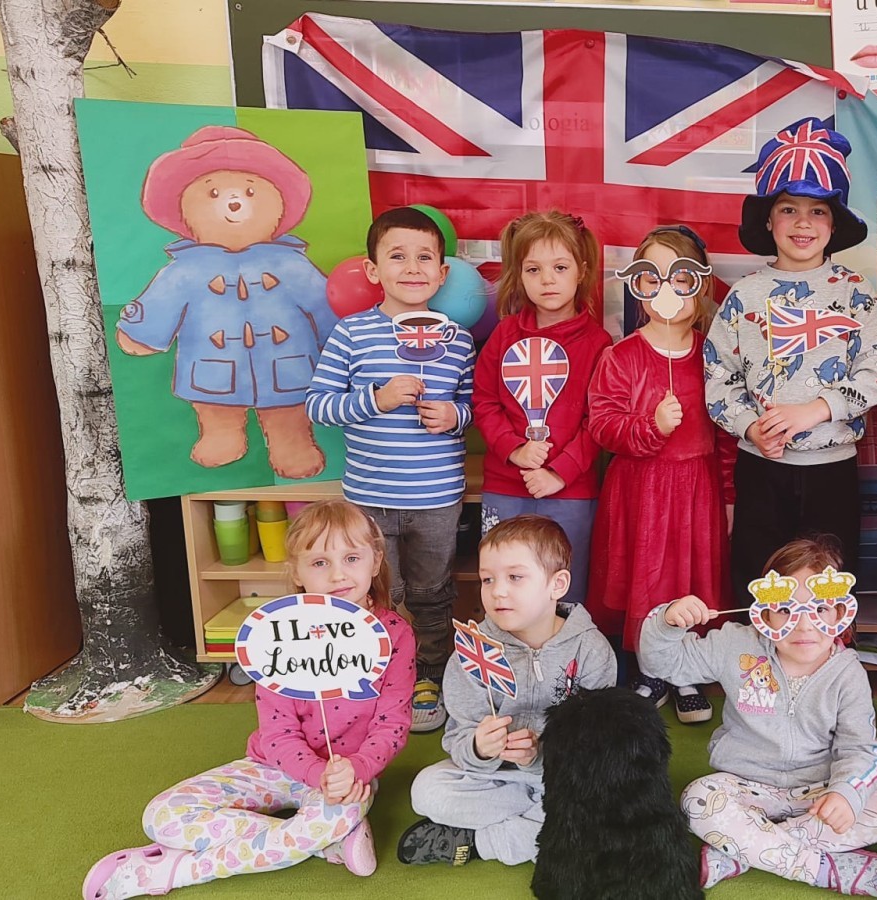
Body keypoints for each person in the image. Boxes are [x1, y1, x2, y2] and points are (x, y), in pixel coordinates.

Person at [82, 501, 415, 898]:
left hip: (348, 782)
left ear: (375, 561)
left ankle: (180, 870)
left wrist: (357, 769)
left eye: (352, 558)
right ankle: (324, 842)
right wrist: (314, 774)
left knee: (331, 817)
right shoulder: (275, 636)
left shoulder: (395, 635)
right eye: (320, 562)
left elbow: (392, 725)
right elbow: (277, 734)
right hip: (275, 767)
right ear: (296, 571)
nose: (339, 574)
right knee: (162, 816)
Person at [640, 537, 877, 898]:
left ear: (840, 612)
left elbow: (860, 749)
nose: (804, 625)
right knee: (696, 800)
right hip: (743, 786)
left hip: (817, 793)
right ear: (764, 612)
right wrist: (667, 623)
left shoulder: (848, 673)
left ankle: (743, 852)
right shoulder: (735, 645)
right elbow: (662, 664)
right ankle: (823, 870)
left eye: (820, 608)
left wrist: (845, 795)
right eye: (785, 609)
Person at [704, 117, 877, 589]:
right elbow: (718, 375)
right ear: (769, 220)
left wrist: (816, 410)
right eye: (789, 209)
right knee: (758, 581)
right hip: (760, 469)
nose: (803, 222)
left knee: (830, 586)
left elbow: (876, 369)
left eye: (818, 211)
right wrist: (751, 427)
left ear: (834, 224)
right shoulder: (744, 295)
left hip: (831, 470)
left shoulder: (854, 291)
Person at [305, 206, 474, 733]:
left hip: (437, 497)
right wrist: (375, 399)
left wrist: (453, 417)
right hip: (369, 497)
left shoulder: (458, 339)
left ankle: (430, 673)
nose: (412, 267)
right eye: (397, 256)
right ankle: (378, 672)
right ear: (373, 270)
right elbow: (318, 406)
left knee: (431, 591)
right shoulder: (352, 334)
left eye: (425, 258)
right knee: (379, 593)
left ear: (442, 274)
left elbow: (473, 407)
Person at [399, 514, 617, 867]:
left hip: (562, 776)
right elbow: (458, 736)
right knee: (427, 791)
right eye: (488, 579)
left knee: (608, 800)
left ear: (557, 584)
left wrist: (539, 756)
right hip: (491, 778)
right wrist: (479, 748)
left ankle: (479, 842)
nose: (498, 590)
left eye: (515, 577)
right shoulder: (473, 653)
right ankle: (547, 824)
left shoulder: (591, 650)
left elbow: (598, 743)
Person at [588, 224, 736, 723]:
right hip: (641, 491)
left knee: (689, 577)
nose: (667, 290)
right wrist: (652, 425)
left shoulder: (714, 356)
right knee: (648, 578)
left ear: (700, 283)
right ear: (639, 286)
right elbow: (603, 425)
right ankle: (650, 669)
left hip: (698, 491)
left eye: (681, 277)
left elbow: (727, 433)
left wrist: (730, 495)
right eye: (653, 279)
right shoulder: (621, 356)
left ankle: (685, 670)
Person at [473, 210, 613, 604]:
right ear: (519, 275)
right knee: (505, 587)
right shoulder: (504, 335)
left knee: (564, 591)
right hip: (506, 486)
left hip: (570, 492)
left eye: (560, 267)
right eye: (533, 269)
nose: (547, 279)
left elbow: (598, 421)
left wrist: (558, 473)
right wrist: (514, 449)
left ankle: (566, 648)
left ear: (581, 271)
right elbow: (484, 401)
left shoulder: (598, 343)